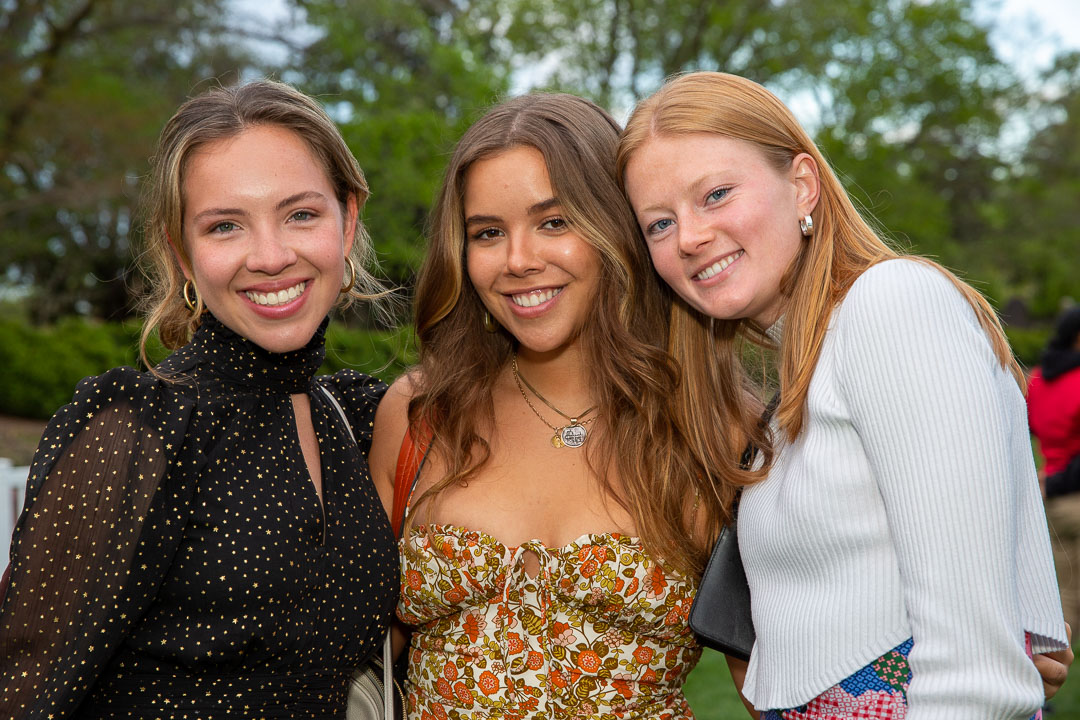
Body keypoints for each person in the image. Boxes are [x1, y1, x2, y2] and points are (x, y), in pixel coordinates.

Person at [617, 70, 1070, 718]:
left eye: (715, 194)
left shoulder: (891, 304)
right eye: (659, 224)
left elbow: (975, 677)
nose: (688, 237)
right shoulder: (802, 381)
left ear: (802, 184)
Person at [0, 80, 397, 718]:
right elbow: (24, 691)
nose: (271, 256)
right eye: (225, 226)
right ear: (183, 253)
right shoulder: (134, 431)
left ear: (348, 221)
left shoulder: (355, 417)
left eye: (300, 214)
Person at [367, 93, 749, 719]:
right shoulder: (421, 413)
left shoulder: (714, 429)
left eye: (554, 222)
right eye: (488, 233)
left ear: (616, 227)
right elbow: (358, 656)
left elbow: (771, 682)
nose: (518, 260)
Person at [1029, 306, 1080, 638]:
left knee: (1067, 588)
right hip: (1073, 491)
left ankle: (1060, 653)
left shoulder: (1037, 379)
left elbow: (1031, 429)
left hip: (1051, 497)